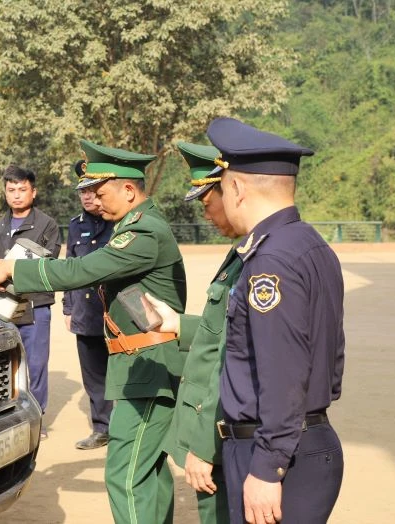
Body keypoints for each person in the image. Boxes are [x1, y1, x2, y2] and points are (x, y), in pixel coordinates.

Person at [0, 140, 188, 524]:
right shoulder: (137, 225)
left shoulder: (142, 233)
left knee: (126, 474)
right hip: (141, 364)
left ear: (129, 190)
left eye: (101, 192)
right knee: (150, 470)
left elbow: (80, 271)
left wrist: (13, 270)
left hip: (148, 364)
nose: (95, 199)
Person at [152, 119, 345, 524]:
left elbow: (283, 373)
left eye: (221, 188)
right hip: (305, 440)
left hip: (274, 451)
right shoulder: (310, 245)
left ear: (236, 188)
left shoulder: (268, 263)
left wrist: (266, 468)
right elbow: (331, 359)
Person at [146, 141, 242, 524]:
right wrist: (179, 324)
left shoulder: (259, 258)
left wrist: (203, 445)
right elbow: (223, 326)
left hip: (223, 434)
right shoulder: (240, 253)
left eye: (207, 202)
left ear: (231, 190)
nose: (206, 214)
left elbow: (232, 355)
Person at [0, 164, 61, 437]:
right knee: (6, 364)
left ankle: (35, 420)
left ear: (33, 192)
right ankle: (7, 418)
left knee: (35, 365)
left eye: (22, 189)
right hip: (1, 306)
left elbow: (48, 262)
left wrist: (9, 273)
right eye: (11, 190)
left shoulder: (47, 225)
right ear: (5, 193)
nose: (16, 195)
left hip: (35, 306)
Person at [63, 161, 114, 450]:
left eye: (93, 190)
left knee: (123, 372)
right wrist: (68, 309)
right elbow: (70, 267)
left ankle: (126, 427)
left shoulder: (120, 223)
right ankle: (102, 428)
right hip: (85, 312)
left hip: (116, 313)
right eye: (82, 191)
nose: (87, 197)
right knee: (94, 375)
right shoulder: (75, 226)